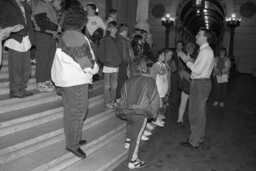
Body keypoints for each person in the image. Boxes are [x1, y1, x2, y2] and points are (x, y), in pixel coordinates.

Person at [51, 5, 99, 158]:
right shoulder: (74, 35)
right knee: (78, 112)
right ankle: (73, 144)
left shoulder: (68, 33)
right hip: (75, 80)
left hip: (69, 79)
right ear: (82, 21)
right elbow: (83, 60)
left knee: (71, 112)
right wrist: (93, 69)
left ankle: (74, 138)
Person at [116, 57, 160, 169]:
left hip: (127, 112)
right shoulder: (149, 80)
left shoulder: (127, 81)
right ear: (143, 68)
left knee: (130, 126)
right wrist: (154, 114)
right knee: (137, 138)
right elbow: (154, 99)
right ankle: (133, 161)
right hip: (140, 113)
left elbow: (122, 98)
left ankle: (127, 141)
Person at [179, 29, 215, 148]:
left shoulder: (205, 52)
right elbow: (200, 67)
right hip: (203, 83)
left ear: (205, 37)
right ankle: (198, 137)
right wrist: (190, 60)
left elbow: (198, 70)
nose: (196, 36)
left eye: (199, 34)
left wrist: (186, 62)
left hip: (199, 83)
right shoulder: (206, 50)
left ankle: (193, 141)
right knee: (200, 113)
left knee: (195, 113)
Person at [1, 0, 35, 98]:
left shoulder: (24, 5)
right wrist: (12, 28)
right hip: (15, 38)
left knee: (26, 68)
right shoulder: (7, 4)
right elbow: (3, 20)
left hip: (26, 38)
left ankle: (22, 87)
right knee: (15, 67)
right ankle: (15, 89)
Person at [33, 0, 62, 92]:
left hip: (51, 36)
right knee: (43, 59)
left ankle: (47, 80)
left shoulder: (49, 6)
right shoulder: (40, 6)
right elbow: (42, 22)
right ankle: (40, 82)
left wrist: (56, 31)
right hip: (43, 35)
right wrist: (56, 27)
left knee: (50, 60)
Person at [98, 21, 122, 109]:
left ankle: (112, 100)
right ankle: (107, 102)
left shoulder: (118, 39)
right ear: (108, 29)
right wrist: (106, 61)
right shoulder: (105, 39)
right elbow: (100, 53)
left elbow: (120, 51)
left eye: (116, 28)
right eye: (112, 28)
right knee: (107, 85)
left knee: (114, 85)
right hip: (108, 65)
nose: (115, 30)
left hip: (116, 65)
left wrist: (119, 60)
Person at [177, 42, 196, 123]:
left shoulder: (195, 59)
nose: (191, 50)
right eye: (189, 48)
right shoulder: (183, 59)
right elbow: (181, 72)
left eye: (192, 48)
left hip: (193, 85)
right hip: (187, 85)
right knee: (183, 103)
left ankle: (191, 119)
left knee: (192, 105)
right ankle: (180, 118)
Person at [116, 24, 133, 100]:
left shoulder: (121, 38)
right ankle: (119, 96)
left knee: (122, 79)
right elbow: (124, 52)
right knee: (121, 80)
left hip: (121, 61)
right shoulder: (121, 39)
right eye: (127, 30)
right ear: (124, 30)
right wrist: (128, 61)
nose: (127, 32)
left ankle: (120, 96)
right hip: (122, 62)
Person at [170, 40, 184, 105]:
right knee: (174, 86)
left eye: (180, 45)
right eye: (177, 45)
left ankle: (179, 99)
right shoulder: (173, 53)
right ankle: (174, 100)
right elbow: (170, 60)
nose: (178, 46)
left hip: (181, 72)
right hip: (174, 71)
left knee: (181, 86)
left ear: (182, 46)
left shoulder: (184, 53)